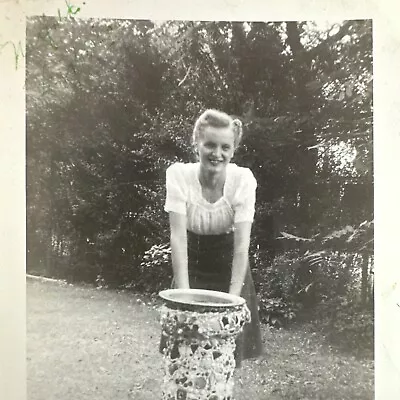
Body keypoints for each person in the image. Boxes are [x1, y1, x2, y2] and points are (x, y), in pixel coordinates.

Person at [160, 109, 263, 366]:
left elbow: (241, 248)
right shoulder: (179, 176)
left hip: (228, 262)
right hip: (191, 260)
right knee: (184, 348)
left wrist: (233, 301)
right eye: (210, 145)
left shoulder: (242, 181)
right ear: (197, 144)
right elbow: (178, 238)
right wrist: (182, 296)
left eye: (225, 147)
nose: (217, 154)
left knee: (223, 352)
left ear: (233, 149)